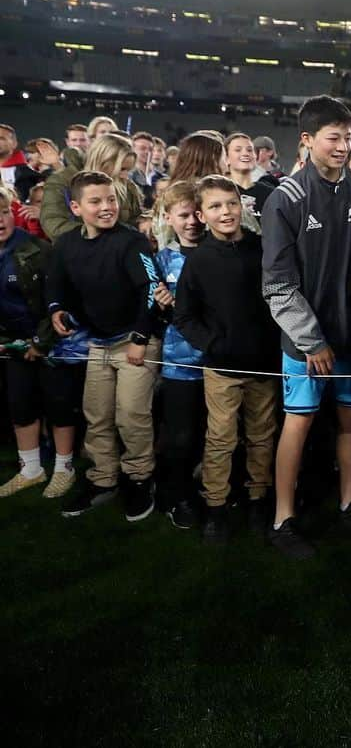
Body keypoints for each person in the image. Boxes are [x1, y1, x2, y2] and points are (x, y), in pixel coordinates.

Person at [261, 95, 351, 559]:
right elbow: (278, 285)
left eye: (348, 137)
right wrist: (311, 340)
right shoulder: (284, 199)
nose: (344, 146)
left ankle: (350, 504)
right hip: (304, 343)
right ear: (307, 140)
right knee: (299, 421)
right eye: (334, 137)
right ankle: (282, 518)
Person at [48, 171, 162, 521]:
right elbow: (56, 284)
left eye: (111, 199)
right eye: (96, 201)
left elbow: (151, 290)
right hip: (97, 342)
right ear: (76, 207)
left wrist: (141, 339)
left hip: (135, 340)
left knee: (131, 416)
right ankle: (103, 478)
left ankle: (140, 477)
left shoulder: (131, 242)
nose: (106, 207)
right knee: (96, 415)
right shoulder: (66, 244)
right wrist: (56, 309)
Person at [175, 176, 280, 543]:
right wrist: (212, 344)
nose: (226, 212)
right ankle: (216, 506)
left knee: (262, 435)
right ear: (202, 215)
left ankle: (257, 499)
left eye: (231, 204)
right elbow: (184, 316)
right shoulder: (199, 261)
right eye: (216, 207)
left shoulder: (262, 248)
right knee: (220, 438)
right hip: (221, 368)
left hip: (263, 364)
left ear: (242, 205)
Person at [0, 191, 81, 500]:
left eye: (5, 212)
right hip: (12, 348)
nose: (0, 220)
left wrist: (40, 342)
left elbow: (58, 300)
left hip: (51, 344)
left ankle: (64, 468)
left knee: (59, 405)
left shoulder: (38, 249)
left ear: (14, 213)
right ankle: (31, 470)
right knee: (21, 406)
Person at [151, 181, 206, 530]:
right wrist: (160, 307)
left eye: (195, 214)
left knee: (212, 435)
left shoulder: (216, 253)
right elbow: (148, 313)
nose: (191, 223)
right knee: (180, 435)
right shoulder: (161, 260)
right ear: (169, 218)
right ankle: (176, 495)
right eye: (182, 215)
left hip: (217, 365)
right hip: (179, 366)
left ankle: (207, 491)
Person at [41, 134, 140, 241]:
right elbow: (54, 225)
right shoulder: (62, 182)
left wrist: (145, 222)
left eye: (128, 170)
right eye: (122, 169)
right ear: (103, 162)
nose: (125, 176)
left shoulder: (127, 186)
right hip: (78, 253)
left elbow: (135, 220)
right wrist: (99, 235)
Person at [225, 132, 276, 218]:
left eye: (249, 150)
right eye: (238, 150)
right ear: (226, 159)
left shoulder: (269, 193)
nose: (245, 154)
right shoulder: (218, 192)